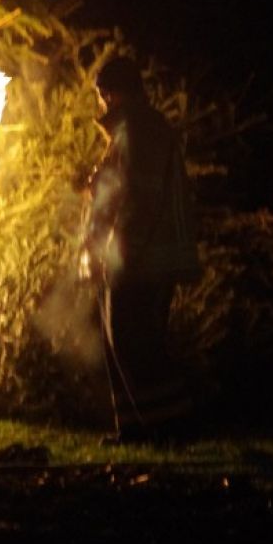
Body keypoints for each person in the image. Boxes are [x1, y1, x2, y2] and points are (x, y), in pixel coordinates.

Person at [85, 56, 201, 442]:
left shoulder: (141, 129)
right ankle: (135, 427)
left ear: (111, 93)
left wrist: (125, 250)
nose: (100, 103)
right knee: (119, 341)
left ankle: (172, 425)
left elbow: (140, 197)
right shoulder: (132, 129)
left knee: (134, 341)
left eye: (102, 95)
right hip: (134, 255)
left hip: (145, 258)